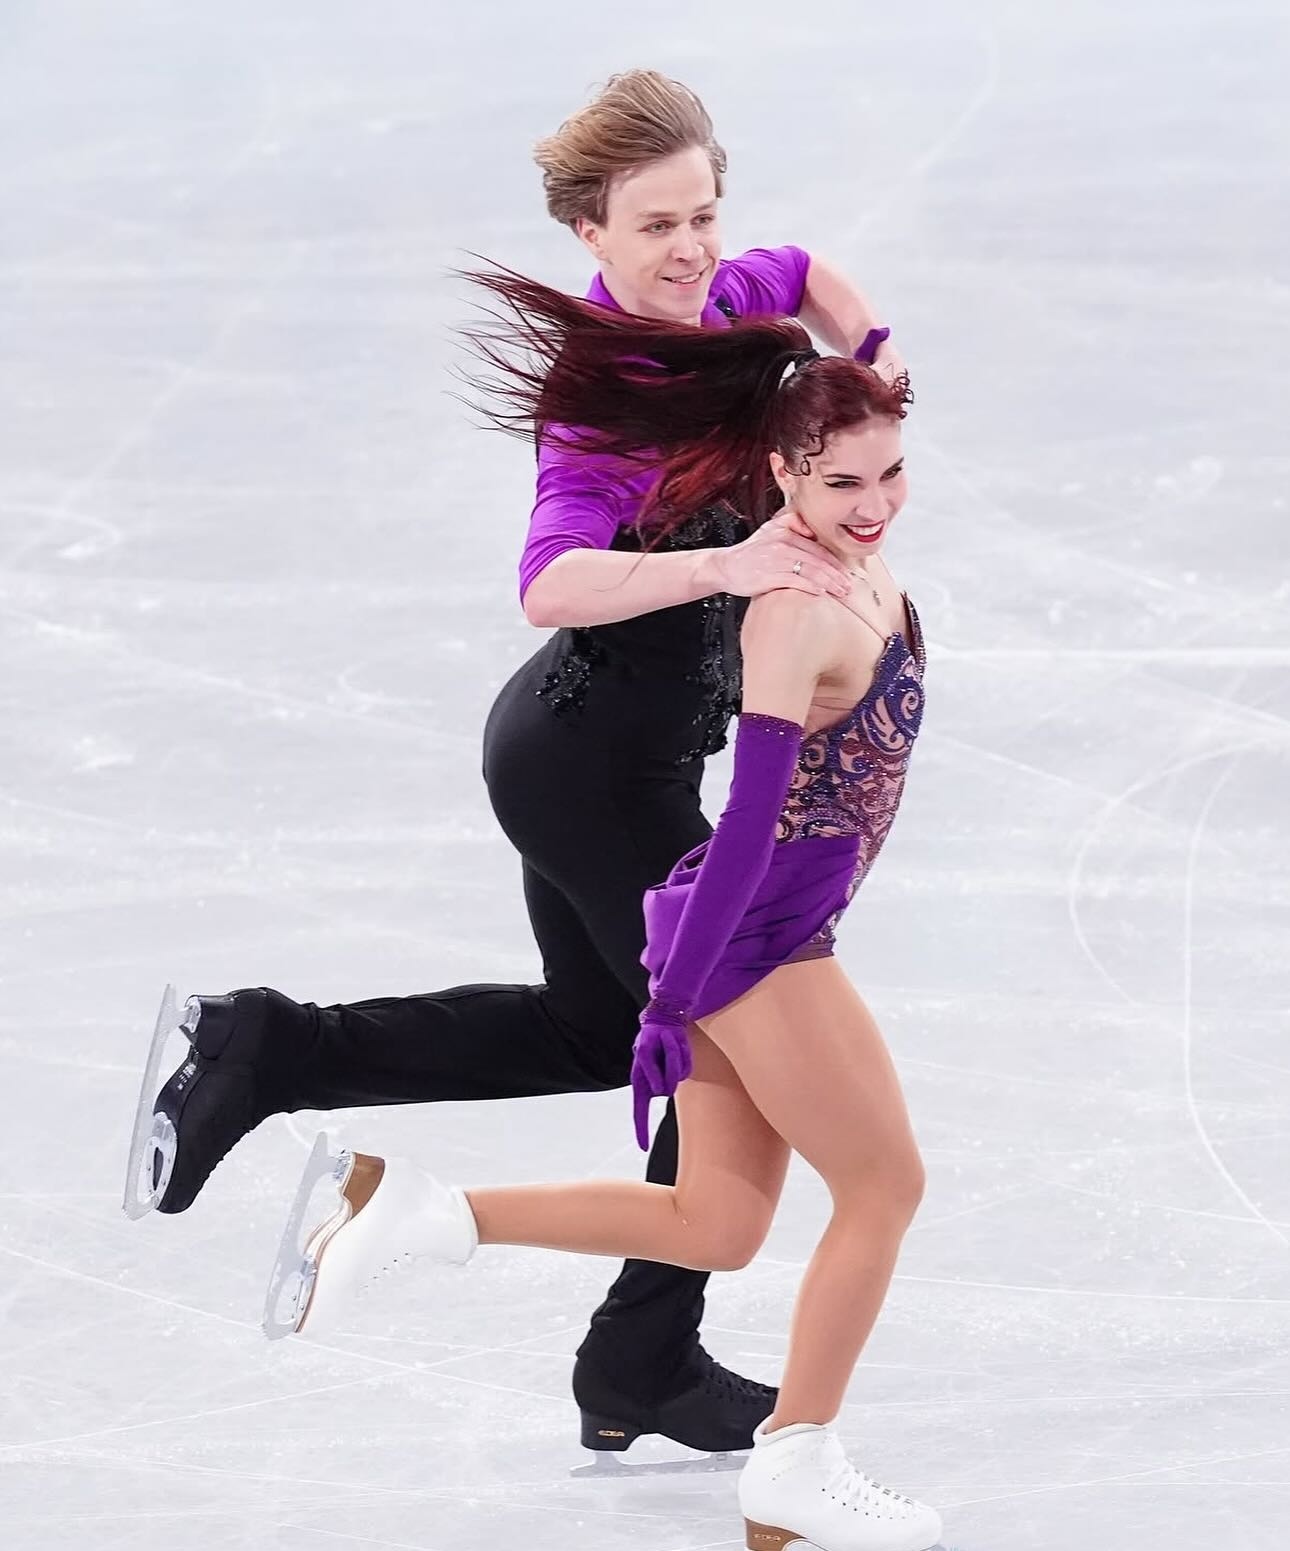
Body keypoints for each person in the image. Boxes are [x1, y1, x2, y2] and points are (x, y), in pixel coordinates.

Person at [125, 68, 906, 1458]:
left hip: (592, 749)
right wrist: (724, 564)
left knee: (595, 1031)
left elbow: (808, 274)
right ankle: (639, 1357)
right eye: (654, 226)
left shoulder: (729, 294)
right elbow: (548, 584)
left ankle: (273, 1044)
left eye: (703, 215)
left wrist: (878, 360)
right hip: (592, 766)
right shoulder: (598, 398)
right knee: (719, 1029)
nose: (691, 249)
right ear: (588, 235)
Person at [265, 275, 940, 1551]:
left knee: (717, 1223)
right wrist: (674, 998)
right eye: (842, 482)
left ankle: (418, 1212)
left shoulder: (855, 547)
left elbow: (814, 287)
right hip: (755, 931)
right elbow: (747, 821)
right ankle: (796, 1467)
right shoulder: (792, 612)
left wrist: (875, 355)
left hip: (759, 922)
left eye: (891, 473)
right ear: (782, 475)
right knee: (885, 1182)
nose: (873, 503)